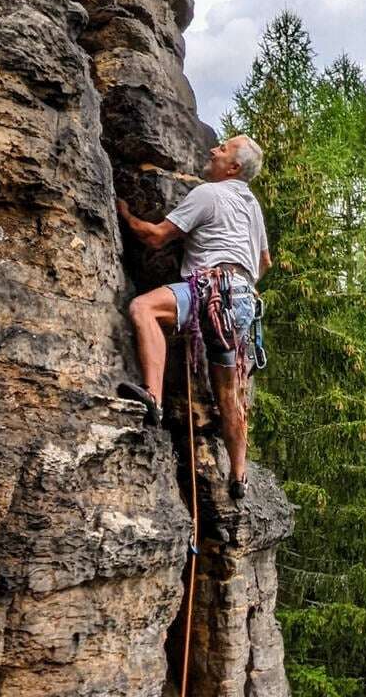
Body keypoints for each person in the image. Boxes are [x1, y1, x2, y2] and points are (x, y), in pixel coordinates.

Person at [114, 135, 271, 500]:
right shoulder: (253, 206)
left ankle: (153, 397)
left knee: (144, 309)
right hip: (243, 301)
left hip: (210, 291)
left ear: (233, 167)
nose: (213, 150)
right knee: (228, 393)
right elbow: (264, 262)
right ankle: (239, 474)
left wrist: (124, 213)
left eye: (223, 149)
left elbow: (155, 238)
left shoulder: (208, 194)